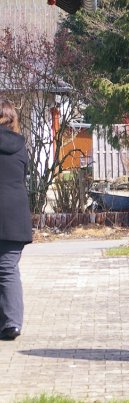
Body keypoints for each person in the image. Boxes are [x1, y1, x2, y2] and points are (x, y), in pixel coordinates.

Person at [0, 99, 33, 341]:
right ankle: (11, 323)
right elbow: (21, 176)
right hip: (15, 215)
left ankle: (9, 322)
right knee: (8, 269)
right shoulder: (20, 146)